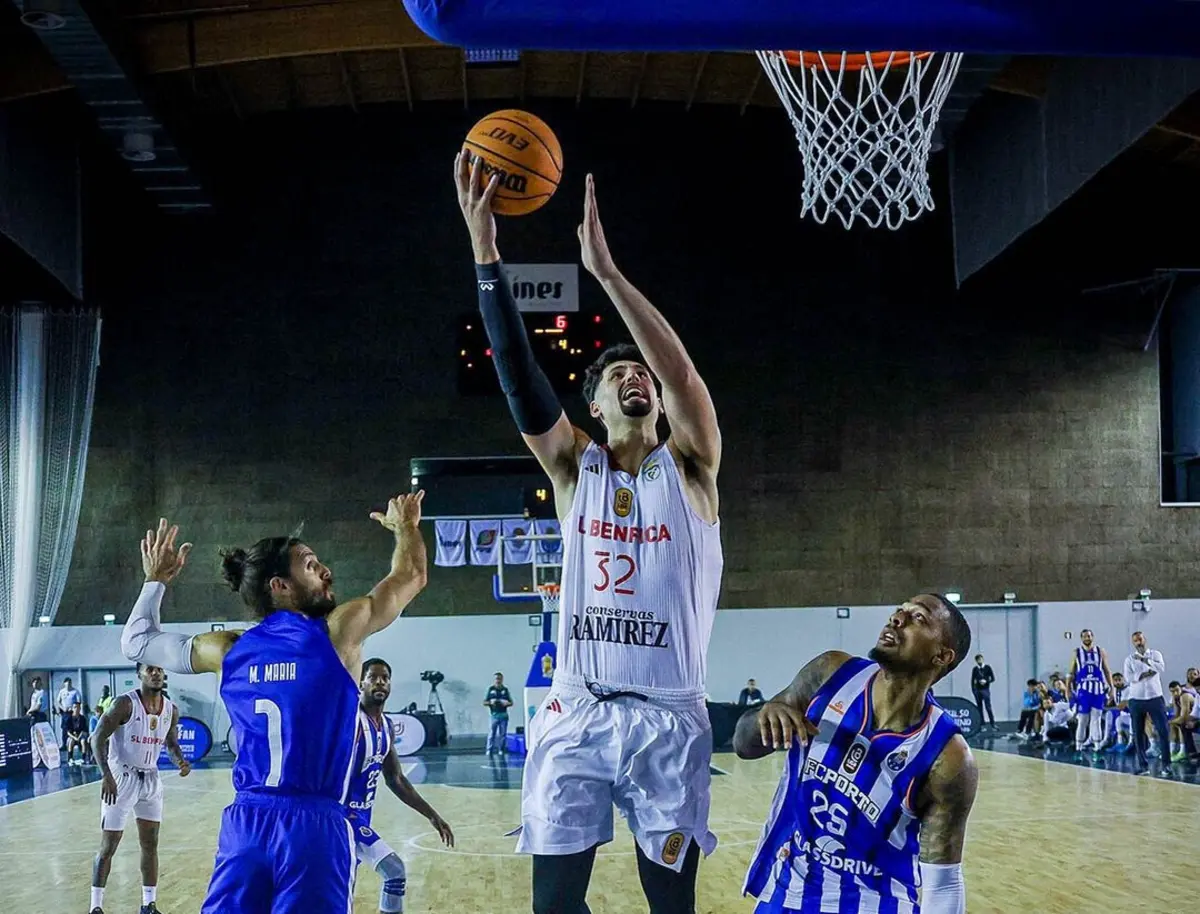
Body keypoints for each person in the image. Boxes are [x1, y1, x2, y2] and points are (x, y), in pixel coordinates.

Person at [455, 155, 723, 914]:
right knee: (554, 907)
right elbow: (516, 373)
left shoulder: (694, 465)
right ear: (596, 406)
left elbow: (689, 383)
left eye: (644, 375)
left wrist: (606, 275)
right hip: (578, 707)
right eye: (617, 376)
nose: (636, 377)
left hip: (671, 709)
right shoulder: (575, 467)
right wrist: (485, 253)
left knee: (672, 907)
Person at [118, 494, 427, 914]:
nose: (325, 571)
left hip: (245, 827)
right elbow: (411, 575)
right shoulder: (337, 633)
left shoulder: (226, 649)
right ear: (280, 586)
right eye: (310, 565)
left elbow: (135, 642)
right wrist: (406, 526)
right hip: (315, 827)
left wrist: (155, 580)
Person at [735, 594, 978, 914]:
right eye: (900, 610)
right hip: (787, 891)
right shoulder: (831, 673)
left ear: (942, 656)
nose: (898, 619)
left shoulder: (947, 755)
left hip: (874, 903)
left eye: (919, 618)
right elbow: (743, 744)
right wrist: (766, 714)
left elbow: (943, 881)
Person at [351, 658, 455, 914]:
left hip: (362, 817)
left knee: (345, 893)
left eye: (385, 677)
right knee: (394, 871)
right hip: (341, 818)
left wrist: (433, 815)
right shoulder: (350, 721)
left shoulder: (386, 726)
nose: (380, 682)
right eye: (373, 677)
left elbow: (396, 779)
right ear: (361, 682)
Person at [89, 662, 189, 914]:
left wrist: (179, 761)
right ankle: (96, 906)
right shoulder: (125, 704)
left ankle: (148, 904)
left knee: (150, 844)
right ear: (139, 674)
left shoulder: (171, 710)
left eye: (159, 669)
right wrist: (106, 776)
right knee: (109, 845)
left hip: (151, 779)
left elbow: (171, 742)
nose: (155, 673)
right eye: (149, 669)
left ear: (165, 674)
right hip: (121, 777)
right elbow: (97, 737)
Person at [1122, 631, 1171, 775]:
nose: (1139, 642)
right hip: (1136, 699)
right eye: (1136, 641)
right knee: (1138, 733)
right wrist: (1143, 674)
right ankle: (1143, 765)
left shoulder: (1155, 655)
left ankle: (1166, 765)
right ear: (1133, 643)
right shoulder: (1129, 659)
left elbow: (1161, 668)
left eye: (1140, 639)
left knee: (1163, 731)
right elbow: (1129, 677)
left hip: (1155, 697)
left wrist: (1145, 661)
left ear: (1145, 640)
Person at [1068, 630, 1114, 753]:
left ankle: (1097, 746)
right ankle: (1079, 746)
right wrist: (1068, 689)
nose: (1087, 638)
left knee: (1096, 719)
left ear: (1092, 637)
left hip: (1098, 690)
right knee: (1082, 719)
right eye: (1084, 636)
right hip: (1083, 690)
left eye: (1089, 636)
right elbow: (1071, 673)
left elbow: (1107, 671)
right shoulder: (1076, 652)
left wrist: (1111, 688)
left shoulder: (1100, 651)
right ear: (1081, 638)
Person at [484, 672, 514, 755]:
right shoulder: (491, 689)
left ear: (502, 679)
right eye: (496, 679)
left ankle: (501, 749)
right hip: (494, 715)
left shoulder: (505, 690)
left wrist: (506, 703)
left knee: (502, 734)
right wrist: (490, 702)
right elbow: (484, 702)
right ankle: (489, 749)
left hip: (503, 715)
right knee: (491, 734)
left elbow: (511, 702)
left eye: (499, 679)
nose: (498, 681)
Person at [969, 654, 995, 730]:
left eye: (980, 659)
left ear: (983, 659)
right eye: (977, 660)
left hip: (985, 689)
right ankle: (982, 724)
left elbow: (993, 678)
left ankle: (992, 723)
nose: (979, 661)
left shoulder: (987, 668)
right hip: (978, 690)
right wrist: (973, 690)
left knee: (988, 707)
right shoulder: (975, 669)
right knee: (979, 708)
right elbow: (972, 680)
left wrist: (986, 681)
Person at [57, 677, 83, 749]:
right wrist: (63, 708)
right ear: (64, 684)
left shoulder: (75, 691)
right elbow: (58, 701)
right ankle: (64, 744)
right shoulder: (62, 691)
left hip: (73, 712)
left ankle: (76, 743)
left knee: (74, 728)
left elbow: (79, 702)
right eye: (67, 684)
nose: (68, 685)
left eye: (69, 684)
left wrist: (73, 708)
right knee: (64, 728)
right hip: (65, 713)